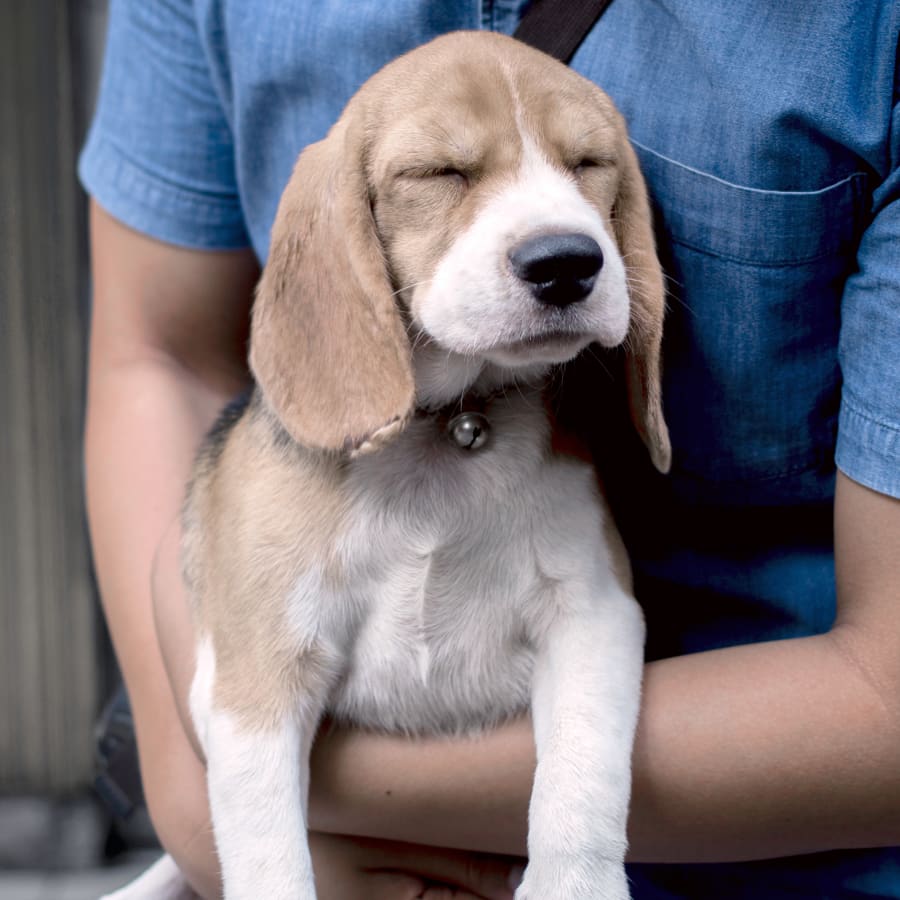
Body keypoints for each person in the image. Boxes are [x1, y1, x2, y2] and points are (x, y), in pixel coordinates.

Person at [80, 1, 900, 897]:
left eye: (586, 164)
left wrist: (546, 856)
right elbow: (157, 357)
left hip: (788, 843)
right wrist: (200, 803)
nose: (558, 233)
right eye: (441, 171)